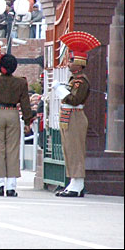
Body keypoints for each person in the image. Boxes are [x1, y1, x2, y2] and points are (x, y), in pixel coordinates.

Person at [0, 46, 32, 197]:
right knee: (13, 150)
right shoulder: (21, 82)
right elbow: (26, 103)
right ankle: (11, 186)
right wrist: (27, 121)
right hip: (13, 114)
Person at [54, 31, 100, 198]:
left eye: (72, 60)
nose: (69, 63)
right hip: (69, 117)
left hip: (75, 116)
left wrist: (60, 90)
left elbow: (74, 99)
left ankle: (78, 183)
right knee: (69, 150)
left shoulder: (81, 81)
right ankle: (73, 182)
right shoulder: (74, 80)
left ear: (80, 63)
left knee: (75, 150)